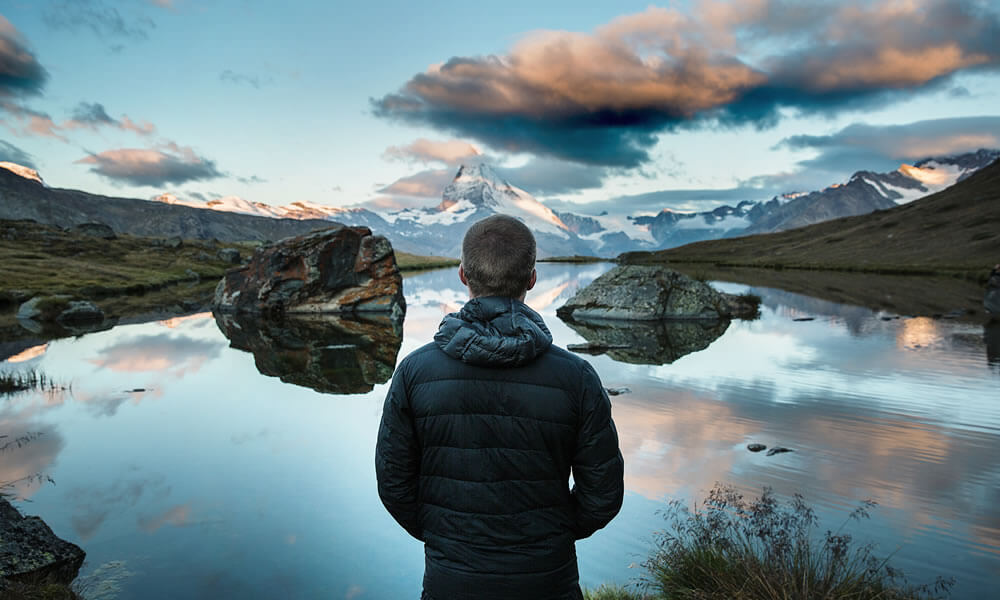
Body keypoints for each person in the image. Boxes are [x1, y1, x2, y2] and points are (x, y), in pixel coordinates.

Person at [375, 214, 625, 600]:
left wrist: (445, 534)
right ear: (531, 279)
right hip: (548, 581)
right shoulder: (577, 378)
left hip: (450, 582)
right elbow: (603, 493)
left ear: (463, 275)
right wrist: (553, 532)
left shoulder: (414, 372)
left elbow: (394, 485)